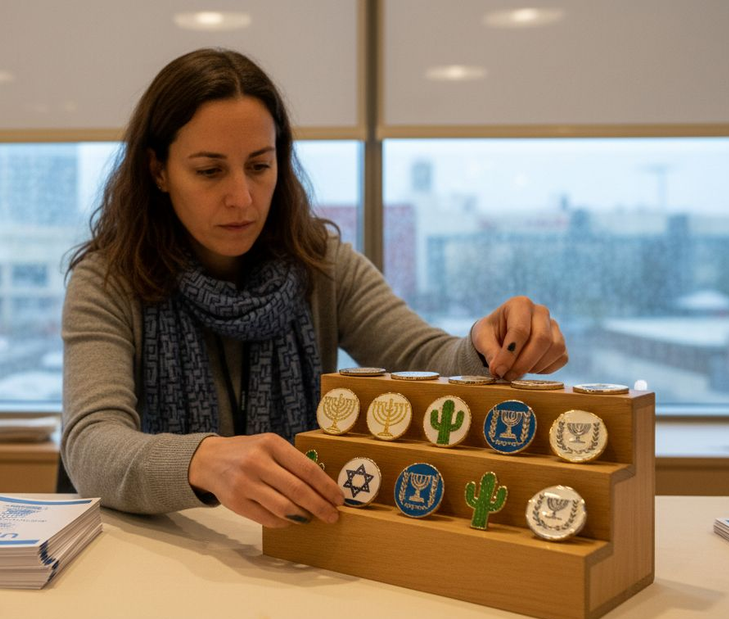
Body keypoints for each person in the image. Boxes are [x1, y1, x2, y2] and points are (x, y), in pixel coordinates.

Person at [61, 48, 567, 529]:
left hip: (297, 546)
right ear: (158, 171)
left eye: (260, 165)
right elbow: (90, 445)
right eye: (210, 171)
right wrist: (204, 459)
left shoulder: (321, 265)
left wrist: (486, 343)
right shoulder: (107, 280)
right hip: (163, 554)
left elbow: (422, 358)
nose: (242, 197)